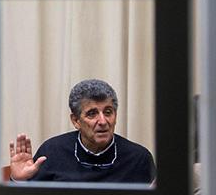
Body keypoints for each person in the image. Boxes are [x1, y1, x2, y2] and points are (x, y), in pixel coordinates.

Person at [9, 78, 155, 183]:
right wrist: (18, 181)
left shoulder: (139, 158)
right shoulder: (52, 152)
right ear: (76, 121)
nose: (103, 121)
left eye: (108, 112)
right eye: (92, 114)